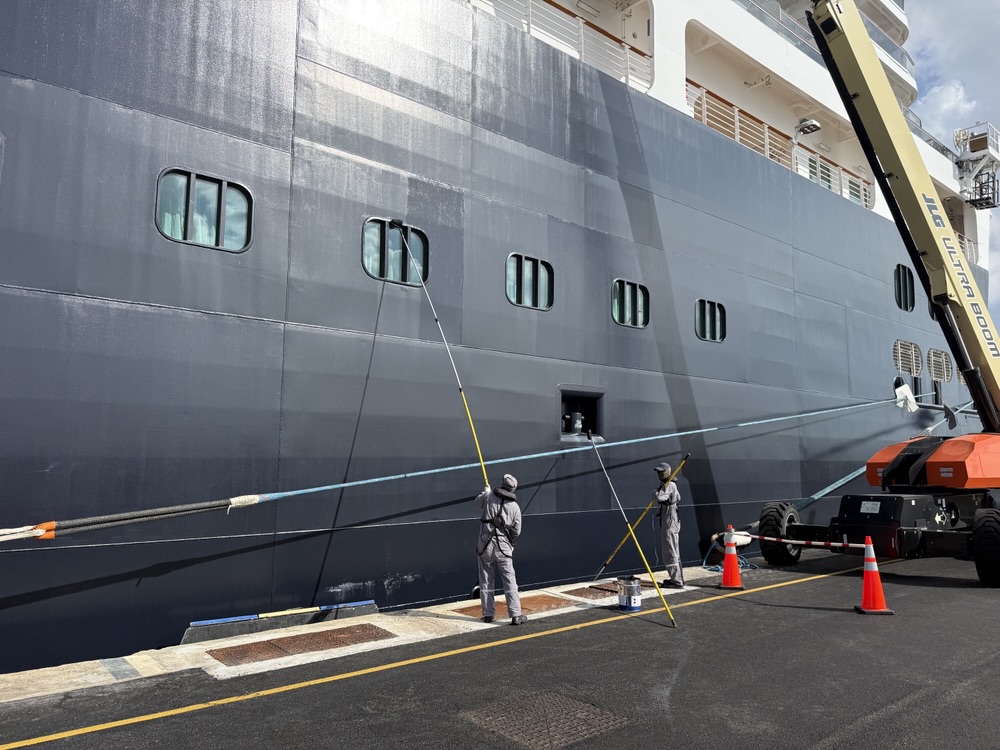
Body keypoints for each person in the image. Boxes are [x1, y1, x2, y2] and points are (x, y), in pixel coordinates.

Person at [476, 474, 528, 625]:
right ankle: (516, 614)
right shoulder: (515, 507)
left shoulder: (488, 497)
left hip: (484, 545)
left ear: (502, 484)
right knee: (509, 580)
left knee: (486, 579)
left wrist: (485, 493)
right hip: (504, 548)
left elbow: (476, 503)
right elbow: (516, 532)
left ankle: (488, 614)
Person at [654, 461, 685, 588]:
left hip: (670, 519)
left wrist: (654, 493)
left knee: (670, 550)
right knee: (672, 549)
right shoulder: (666, 484)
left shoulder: (670, 485)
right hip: (669, 518)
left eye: (661, 471)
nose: (659, 473)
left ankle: (677, 581)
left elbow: (661, 498)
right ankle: (677, 578)